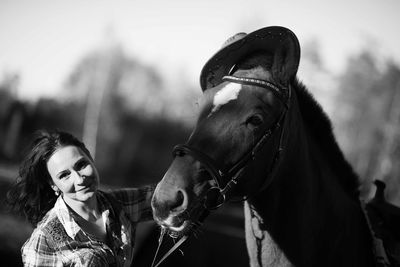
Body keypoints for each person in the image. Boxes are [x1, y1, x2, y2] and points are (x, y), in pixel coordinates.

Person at [6, 129, 155, 266]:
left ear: (91, 159)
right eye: (64, 175)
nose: (79, 179)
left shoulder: (119, 203)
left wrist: (179, 155)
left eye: (81, 165)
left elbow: (166, 196)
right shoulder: (44, 241)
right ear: (54, 185)